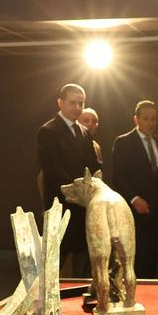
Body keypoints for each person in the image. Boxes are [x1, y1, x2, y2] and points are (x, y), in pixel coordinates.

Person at [36, 84, 101, 275]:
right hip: (60, 206)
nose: (77, 107)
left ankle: (80, 292)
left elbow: (93, 167)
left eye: (81, 103)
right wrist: (79, 191)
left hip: (83, 209)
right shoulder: (47, 131)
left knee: (83, 261)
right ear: (60, 103)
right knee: (53, 264)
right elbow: (52, 170)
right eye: (73, 103)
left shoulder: (84, 132)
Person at [110, 100, 158, 278]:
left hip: (155, 212)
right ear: (136, 119)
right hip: (132, 211)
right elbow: (117, 176)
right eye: (146, 118)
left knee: (152, 257)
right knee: (134, 258)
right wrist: (134, 199)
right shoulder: (124, 142)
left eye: (153, 119)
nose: (151, 123)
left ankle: (150, 289)